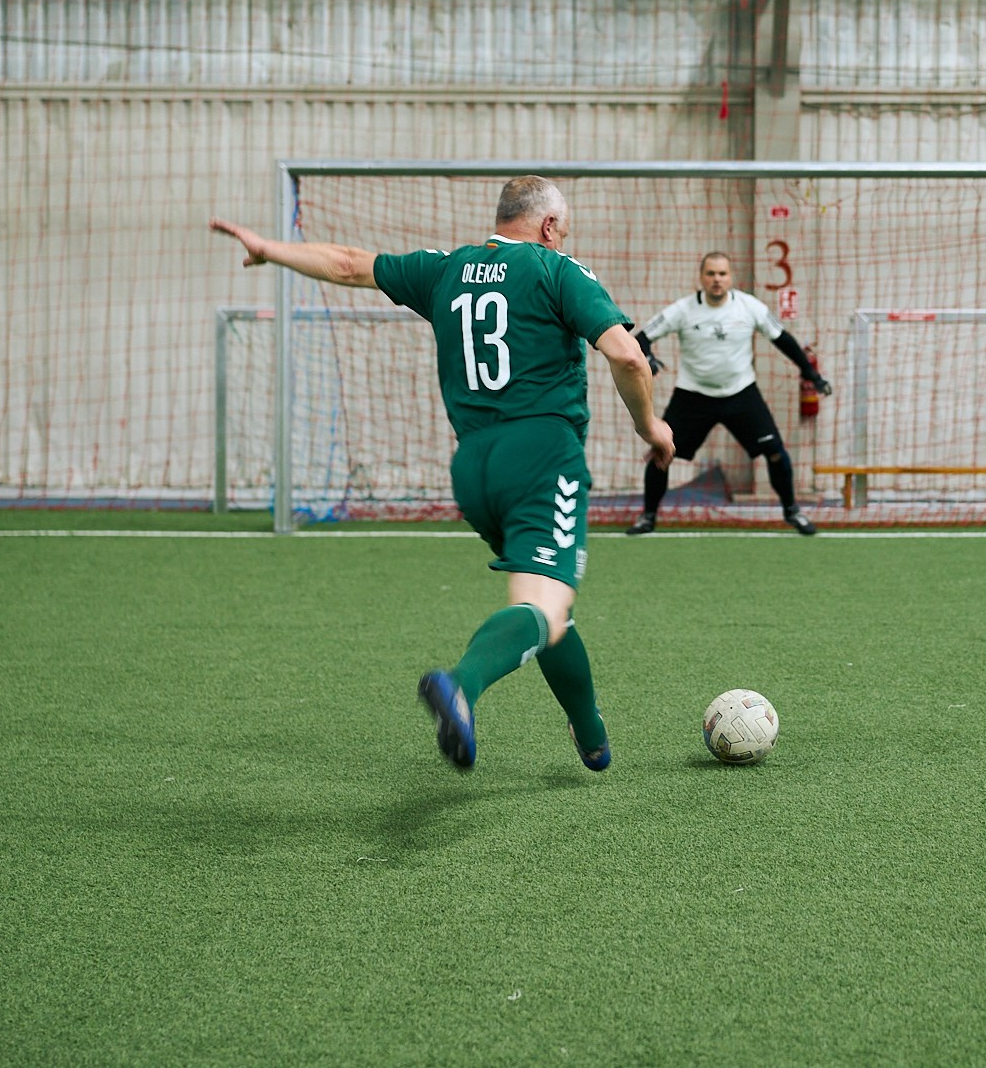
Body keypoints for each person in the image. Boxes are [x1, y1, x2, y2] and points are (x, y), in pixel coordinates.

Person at [210, 177, 674, 773]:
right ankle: (461, 684)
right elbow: (628, 354)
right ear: (550, 226)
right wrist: (652, 429)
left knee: (550, 606)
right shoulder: (559, 271)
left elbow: (350, 264)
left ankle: (592, 736)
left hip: (474, 468)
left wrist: (270, 248)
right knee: (545, 604)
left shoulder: (444, 268)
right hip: (541, 456)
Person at [628, 251, 832, 537]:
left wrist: (811, 374)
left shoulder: (750, 307)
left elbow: (783, 340)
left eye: (722, 274)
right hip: (692, 396)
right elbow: (640, 339)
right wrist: (647, 358)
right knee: (663, 452)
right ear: (701, 277)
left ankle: (792, 511)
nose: (716, 280)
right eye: (710, 274)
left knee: (775, 453)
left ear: (730, 277)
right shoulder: (683, 310)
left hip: (741, 395)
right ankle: (647, 517)